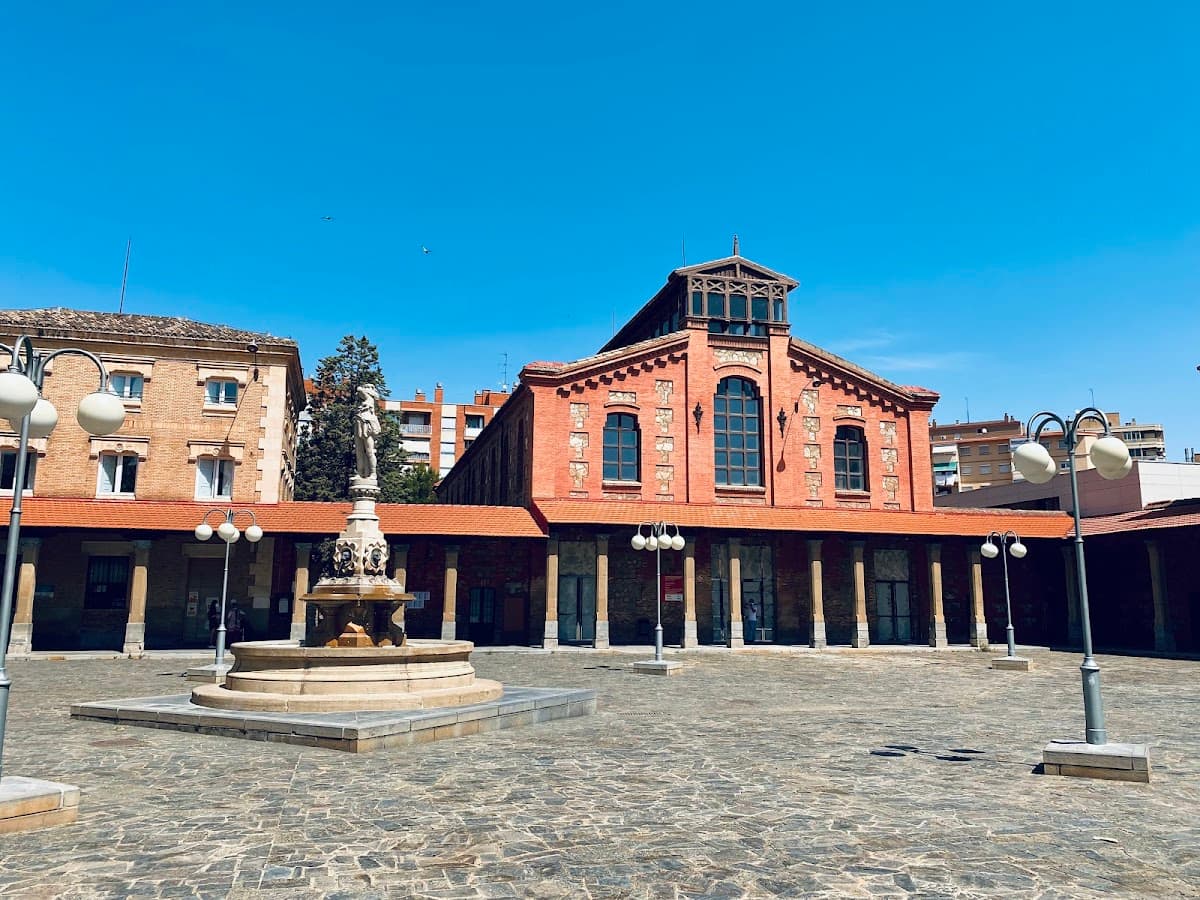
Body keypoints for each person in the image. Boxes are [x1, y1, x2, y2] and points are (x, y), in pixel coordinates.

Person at [354, 384, 381, 482]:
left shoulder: (369, 399)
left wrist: (366, 389)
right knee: (359, 452)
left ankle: (373, 473)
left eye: (367, 387)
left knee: (370, 451)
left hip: (367, 423)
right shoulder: (361, 402)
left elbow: (359, 389)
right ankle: (360, 473)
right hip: (359, 423)